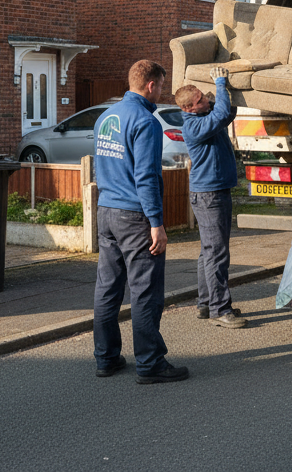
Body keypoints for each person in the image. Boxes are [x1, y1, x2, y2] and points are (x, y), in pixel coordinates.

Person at [92, 59, 189, 384]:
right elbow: (147, 176)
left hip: (105, 210)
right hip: (134, 216)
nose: (161, 91)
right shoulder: (145, 122)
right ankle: (149, 363)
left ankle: (106, 358)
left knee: (108, 289)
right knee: (145, 292)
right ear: (151, 85)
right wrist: (156, 223)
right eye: (161, 85)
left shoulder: (106, 117)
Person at [174, 67, 246, 329]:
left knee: (208, 252)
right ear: (190, 108)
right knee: (217, 253)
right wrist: (219, 83)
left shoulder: (205, 117)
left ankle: (206, 303)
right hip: (209, 196)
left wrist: (228, 89)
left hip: (212, 193)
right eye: (201, 99)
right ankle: (220, 310)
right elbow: (221, 114)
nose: (206, 99)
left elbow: (227, 112)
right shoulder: (194, 126)